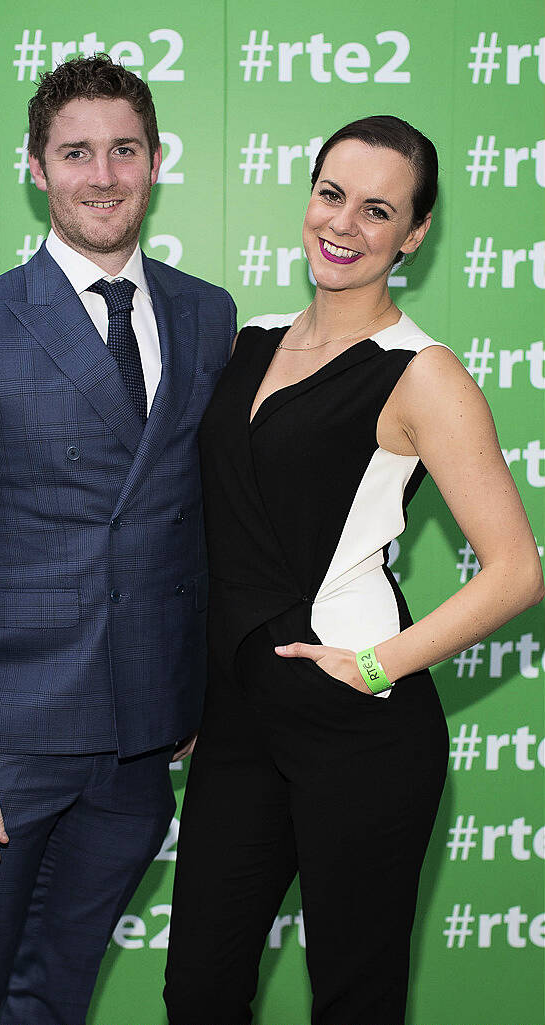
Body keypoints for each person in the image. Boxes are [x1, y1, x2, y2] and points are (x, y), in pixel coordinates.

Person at [163, 115, 543, 1025]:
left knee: (353, 999)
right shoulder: (243, 340)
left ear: (412, 234)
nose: (344, 225)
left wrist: (376, 665)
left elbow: (516, 570)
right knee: (200, 990)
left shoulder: (422, 373)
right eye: (331, 194)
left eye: (379, 210)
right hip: (235, 722)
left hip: (357, 724)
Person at [0, 54, 235, 1025]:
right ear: (36, 169)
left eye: (124, 149)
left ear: (155, 161)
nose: (102, 175)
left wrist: (197, 686)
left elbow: (203, 519)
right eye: (75, 152)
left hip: (136, 747)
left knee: (56, 996)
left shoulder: (205, 315)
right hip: (4, 747)